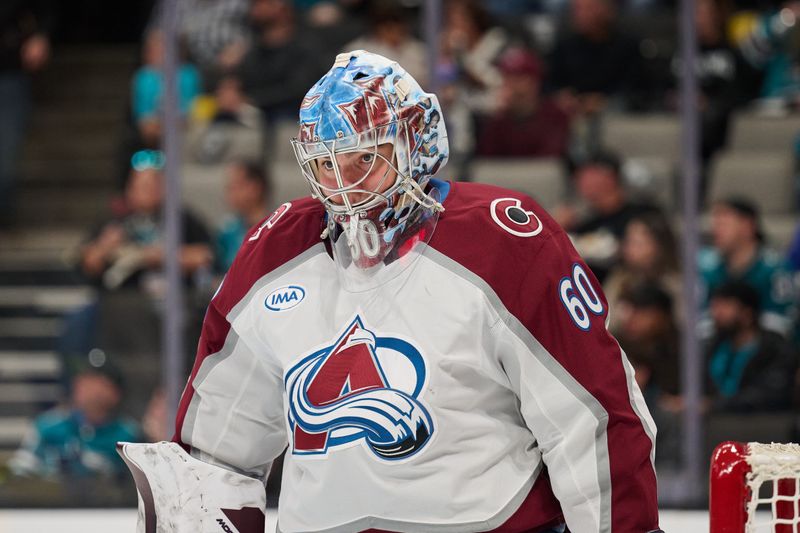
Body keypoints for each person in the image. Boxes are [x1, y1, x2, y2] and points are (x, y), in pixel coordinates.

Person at [119, 51, 661, 533]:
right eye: (327, 164)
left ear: (415, 143)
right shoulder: (276, 253)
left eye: (363, 159)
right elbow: (216, 454)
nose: (343, 184)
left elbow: (590, 418)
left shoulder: (504, 242)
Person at [8, 357, 140, 479]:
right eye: (80, 377)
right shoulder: (47, 425)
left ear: (114, 393)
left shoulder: (129, 436)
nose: (81, 383)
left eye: (92, 379)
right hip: (49, 502)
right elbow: (20, 468)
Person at [555, 150, 659, 282]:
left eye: (587, 174)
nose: (579, 180)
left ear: (609, 177)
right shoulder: (586, 223)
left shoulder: (644, 214)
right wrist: (557, 228)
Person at [698, 197, 796, 337]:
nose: (715, 231)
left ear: (747, 226)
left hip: (768, 352)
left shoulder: (776, 269)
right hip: (718, 348)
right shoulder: (706, 268)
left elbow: (782, 323)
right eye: (715, 224)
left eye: (723, 224)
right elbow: (700, 320)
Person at [705, 281, 797, 413]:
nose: (717, 313)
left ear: (747, 314)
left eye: (725, 306)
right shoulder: (711, 348)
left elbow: (771, 395)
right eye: (714, 306)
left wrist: (713, 404)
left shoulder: (776, 350)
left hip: (762, 427)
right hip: (713, 427)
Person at [476, 46, 571, 158]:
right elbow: (487, 162)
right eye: (507, 77)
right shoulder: (497, 122)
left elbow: (550, 159)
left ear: (535, 82)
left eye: (518, 78)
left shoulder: (556, 116)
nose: (511, 85)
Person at [216, 160, 271, 272]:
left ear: (255, 188)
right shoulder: (228, 231)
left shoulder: (279, 227)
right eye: (228, 187)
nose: (229, 192)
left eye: (235, 186)